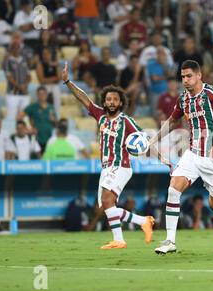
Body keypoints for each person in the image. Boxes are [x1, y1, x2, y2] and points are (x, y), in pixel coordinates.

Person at [148, 60, 213, 255]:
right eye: (183, 77)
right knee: (173, 189)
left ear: (199, 75)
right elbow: (172, 120)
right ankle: (170, 241)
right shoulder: (183, 99)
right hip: (192, 154)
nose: (185, 80)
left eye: (189, 76)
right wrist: (155, 139)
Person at [62, 61, 154, 249]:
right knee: (107, 206)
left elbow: (144, 139)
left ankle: (119, 240)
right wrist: (68, 82)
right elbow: (83, 98)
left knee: (106, 201)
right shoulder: (100, 116)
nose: (111, 102)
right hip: (107, 167)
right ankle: (142, 221)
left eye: (115, 99)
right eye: (109, 99)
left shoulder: (127, 121)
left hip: (121, 166)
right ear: (104, 101)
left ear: (121, 103)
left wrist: (161, 158)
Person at [18, 86, 57, 153]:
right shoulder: (33, 107)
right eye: (40, 94)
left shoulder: (51, 107)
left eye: (44, 94)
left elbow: (55, 124)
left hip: (49, 137)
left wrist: (54, 120)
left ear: (47, 94)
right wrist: (28, 129)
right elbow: (19, 117)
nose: (42, 96)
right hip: (37, 138)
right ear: (37, 95)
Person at [4, 41, 31, 121]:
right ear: (11, 49)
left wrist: (25, 85)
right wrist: (19, 86)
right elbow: (9, 77)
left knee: (25, 118)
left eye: (18, 48)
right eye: (14, 48)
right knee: (11, 117)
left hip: (24, 93)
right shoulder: (8, 60)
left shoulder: (24, 60)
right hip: (13, 93)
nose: (16, 50)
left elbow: (29, 76)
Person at [36, 47, 62, 113]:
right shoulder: (40, 65)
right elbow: (41, 80)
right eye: (44, 54)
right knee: (43, 93)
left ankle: (57, 113)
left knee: (57, 93)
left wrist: (48, 79)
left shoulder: (56, 64)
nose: (45, 55)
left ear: (50, 54)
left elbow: (60, 77)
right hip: (45, 86)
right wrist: (54, 78)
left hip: (54, 86)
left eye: (47, 54)